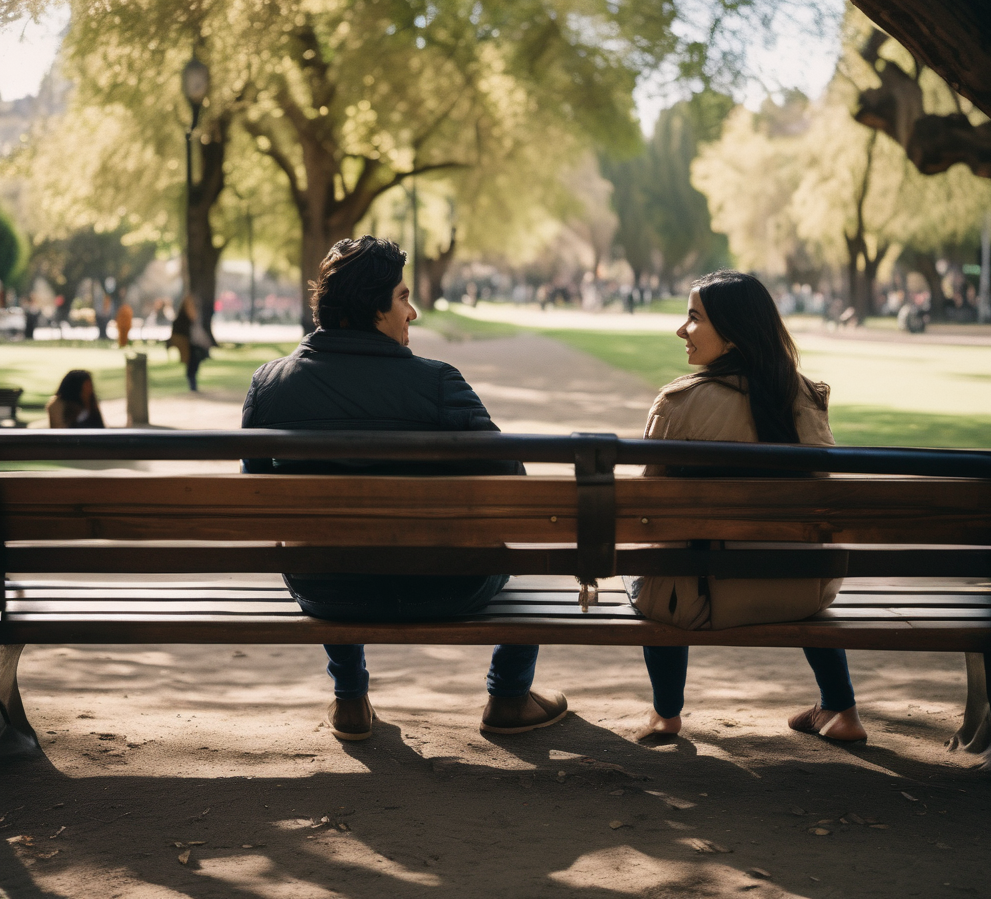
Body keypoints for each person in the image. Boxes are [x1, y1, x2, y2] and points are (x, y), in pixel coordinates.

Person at [241, 236, 567, 741]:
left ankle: (350, 698)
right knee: (522, 566)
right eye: (402, 297)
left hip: (326, 588)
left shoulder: (269, 385)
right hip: (445, 585)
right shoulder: (439, 383)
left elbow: (256, 503)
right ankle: (508, 695)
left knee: (329, 553)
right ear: (373, 308)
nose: (411, 312)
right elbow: (512, 488)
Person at [634, 270, 866, 743]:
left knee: (660, 558)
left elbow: (646, 513)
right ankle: (841, 709)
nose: (682, 330)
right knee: (799, 552)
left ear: (733, 330)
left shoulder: (679, 402)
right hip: (800, 595)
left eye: (694, 318)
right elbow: (822, 508)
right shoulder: (804, 397)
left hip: (700, 602)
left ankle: (666, 714)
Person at [169, 295, 211, 391]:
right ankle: (193, 386)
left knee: (194, 365)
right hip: (190, 345)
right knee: (191, 366)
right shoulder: (182, 321)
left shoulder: (194, 319)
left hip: (195, 345)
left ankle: (193, 385)